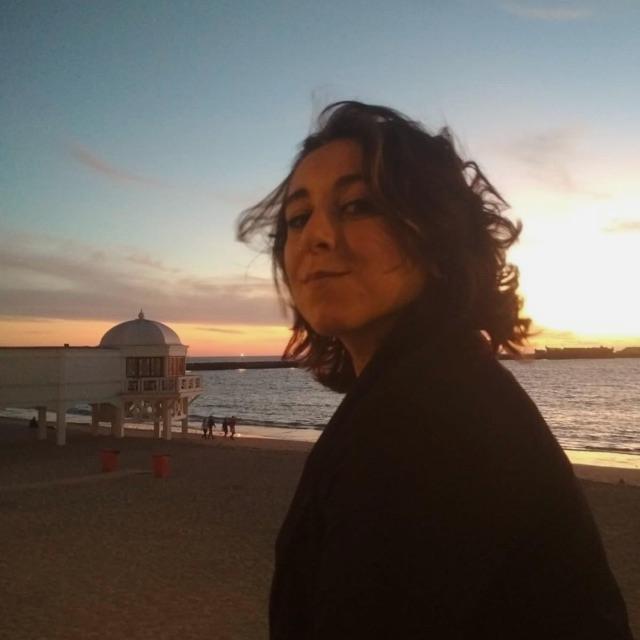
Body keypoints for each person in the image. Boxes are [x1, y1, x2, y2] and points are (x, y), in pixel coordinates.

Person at [237, 101, 633, 639]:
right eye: (297, 218)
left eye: (357, 205)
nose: (316, 236)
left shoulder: (428, 423)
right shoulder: (433, 390)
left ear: (437, 236)